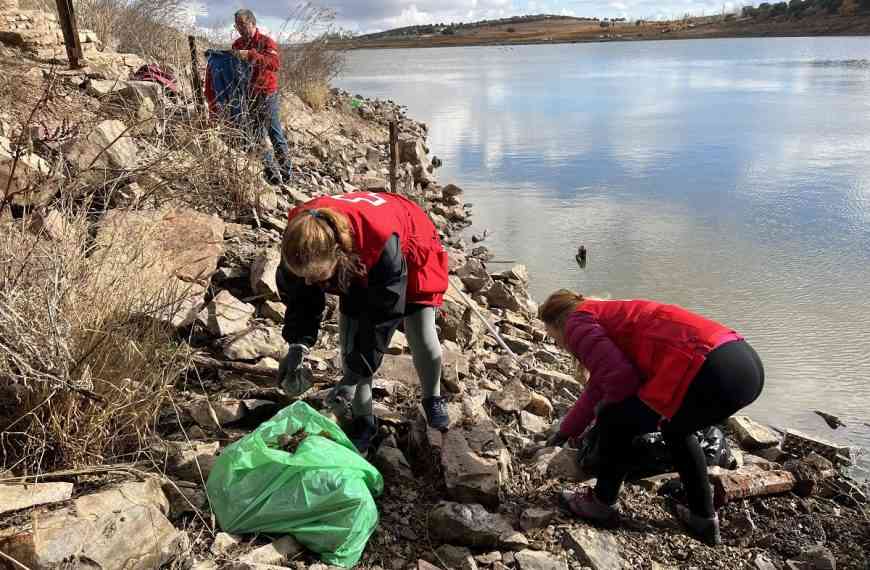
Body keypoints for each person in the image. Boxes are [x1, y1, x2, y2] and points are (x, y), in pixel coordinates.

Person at [538, 289, 764, 546]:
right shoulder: (607, 313)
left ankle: (601, 503)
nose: (559, 344)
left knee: (613, 417)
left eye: (553, 337)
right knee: (676, 430)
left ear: (558, 323)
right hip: (742, 365)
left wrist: (608, 422)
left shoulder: (577, 323)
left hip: (710, 367)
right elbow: (600, 384)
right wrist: (567, 431)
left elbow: (621, 382)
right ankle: (702, 519)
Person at [275, 191, 451, 454]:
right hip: (356, 248)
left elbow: (381, 320)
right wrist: (297, 344)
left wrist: (353, 376)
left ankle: (432, 397)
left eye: (316, 276)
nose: (310, 282)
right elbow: (301, 296)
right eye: (305, 276)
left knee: (420, 330)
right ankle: (364, 420)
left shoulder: (381, 246)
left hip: (407, 236)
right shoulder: (300, 237)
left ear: (338, 254)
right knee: (351, 335)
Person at [205, 9, 292, 185]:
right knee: (257, 136)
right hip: (247, 96)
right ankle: (273, 176)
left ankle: (287, 173)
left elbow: (275, 64)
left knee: (275, 134)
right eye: (237, 25)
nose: (240, 29)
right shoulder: (237, 44)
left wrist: (250, 55)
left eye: (243, 25)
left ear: (253, 23)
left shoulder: (266, 42)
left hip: (267, 95)